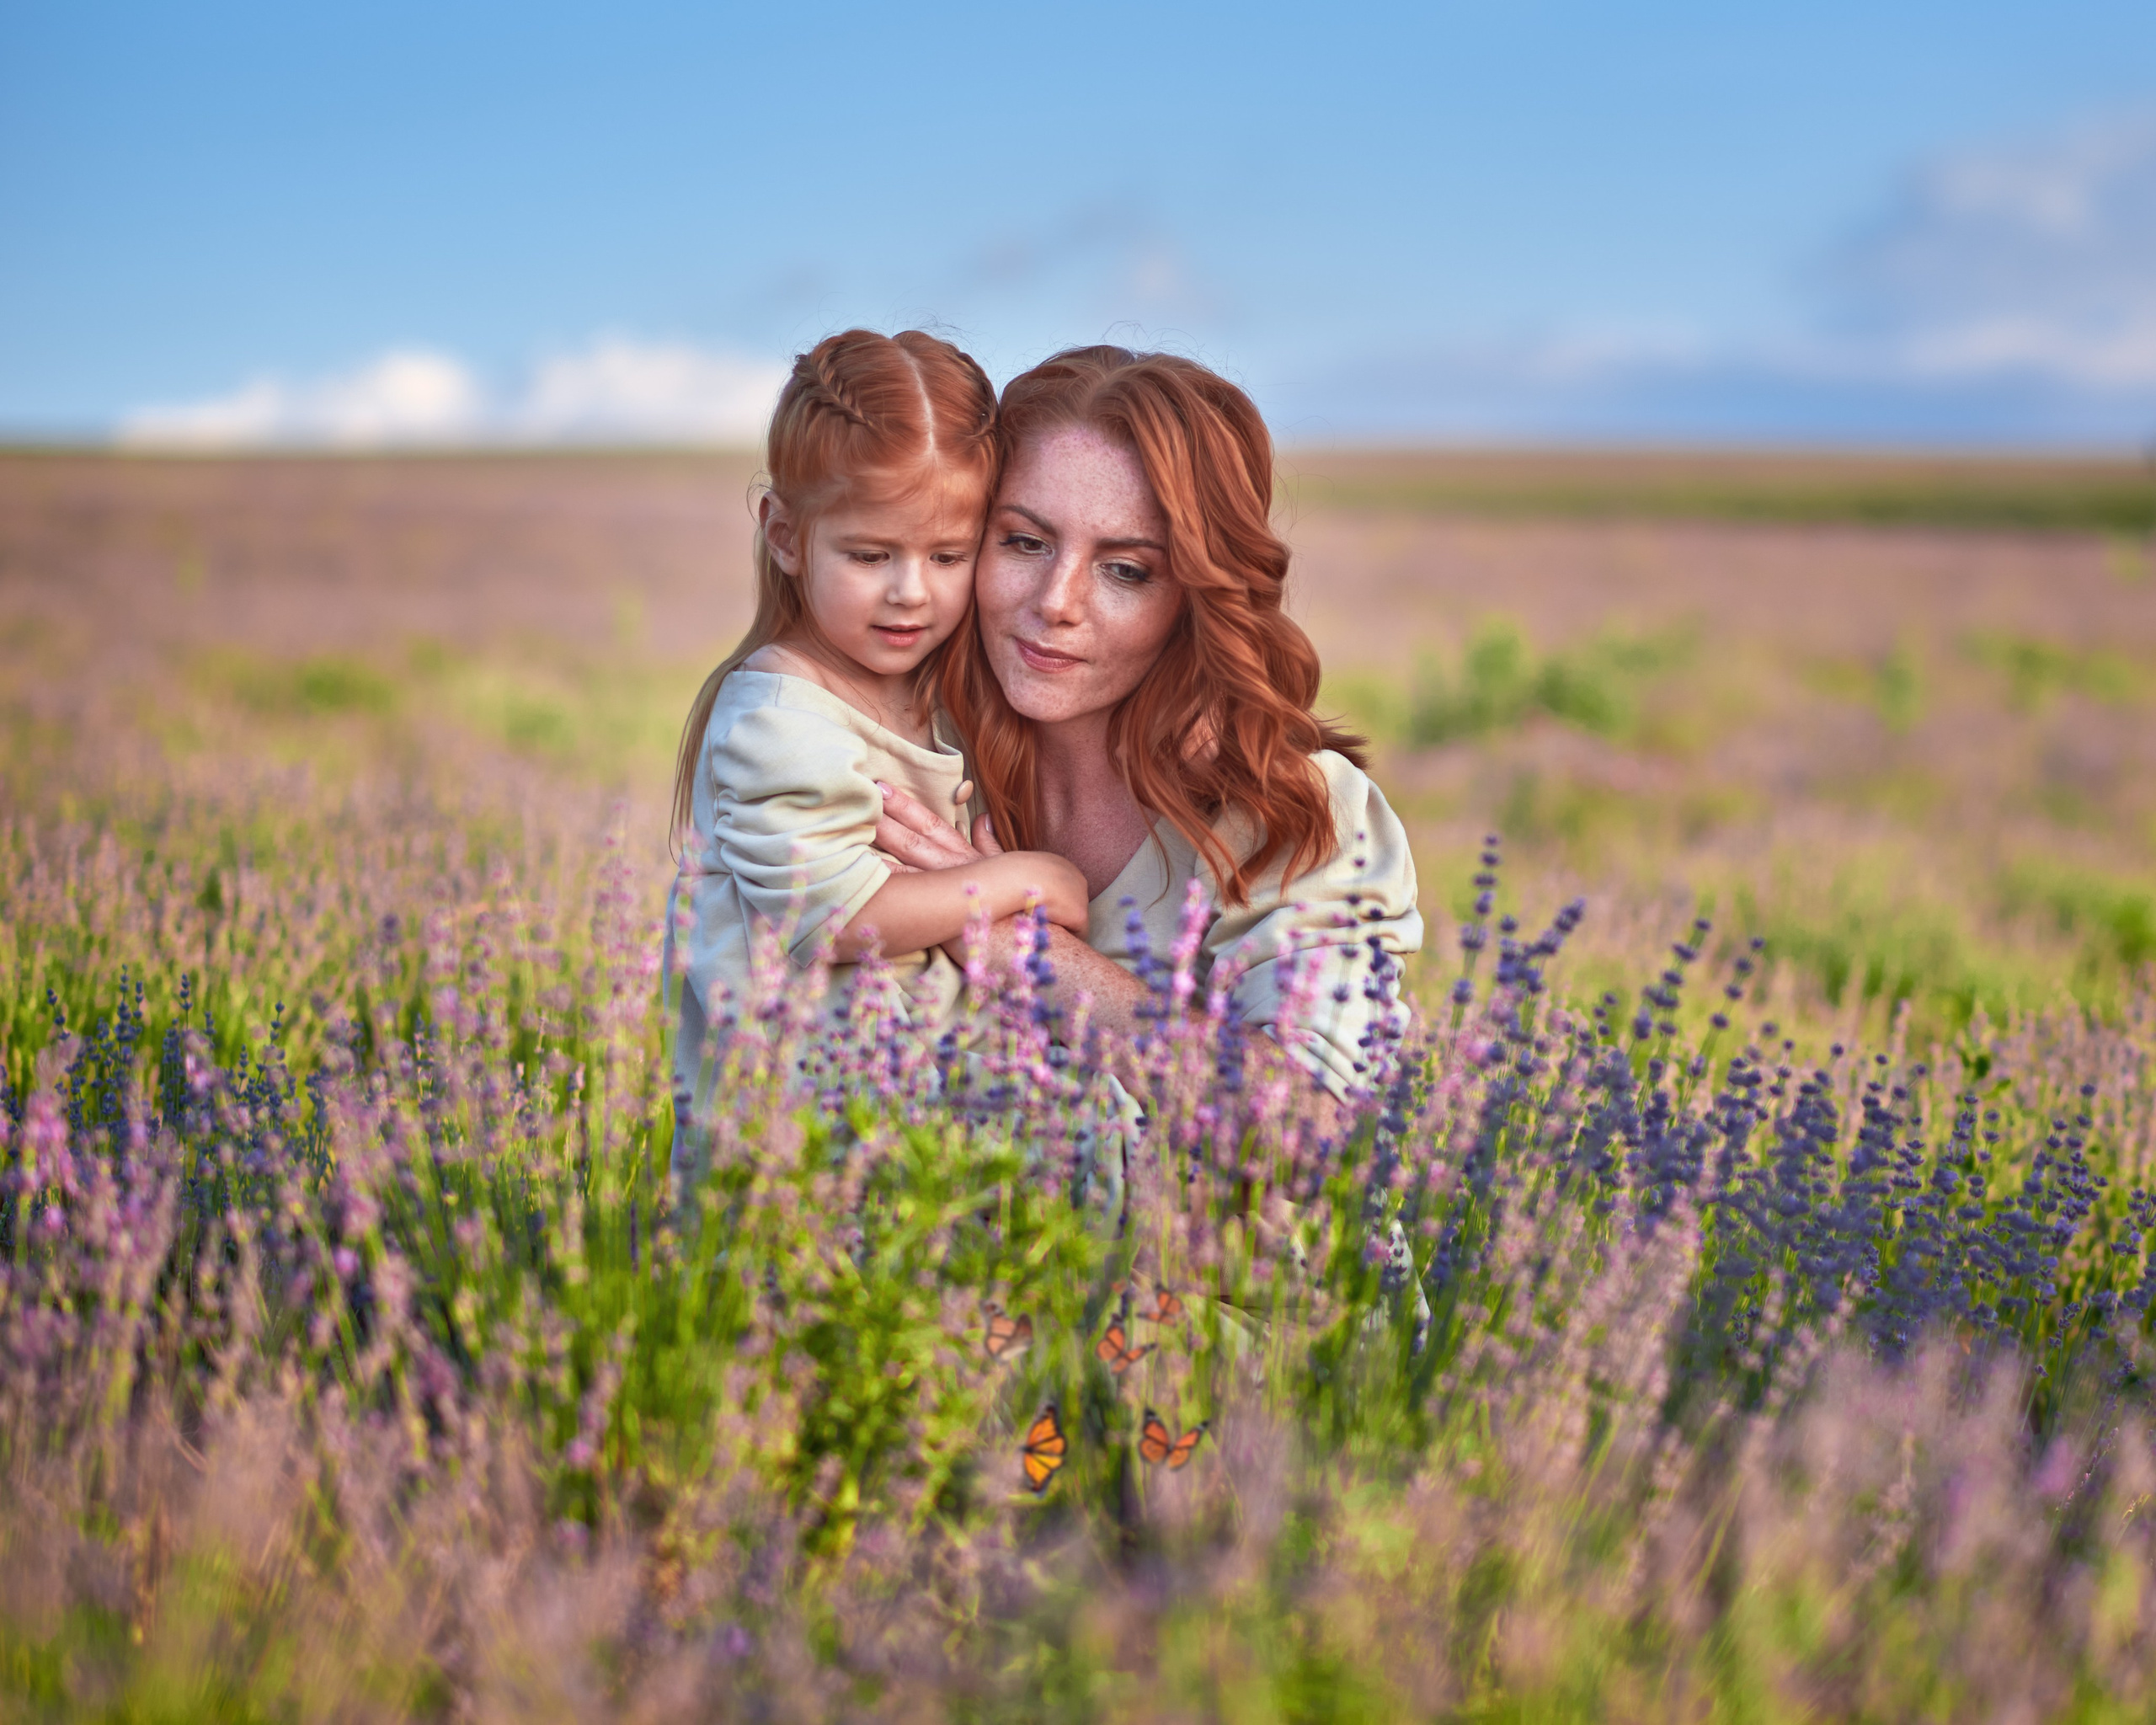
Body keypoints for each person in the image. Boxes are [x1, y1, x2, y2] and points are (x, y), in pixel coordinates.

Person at [874, 345, 1422, 1105]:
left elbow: (1317, 1128)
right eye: (1025, 542)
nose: (1056, 601)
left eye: (1126, 570)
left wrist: (1026, 955)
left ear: (1197, 597)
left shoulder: (1295, 812)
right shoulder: (901, 754)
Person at [665, 329, 1090, 1145]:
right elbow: (836, 918)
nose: (910, 592)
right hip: (792, 1150)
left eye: (948, 555)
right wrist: (1025, 879)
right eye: (869, 555)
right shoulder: (778, 717)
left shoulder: (926, 688)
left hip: (915, 1122)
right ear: (785, 536)